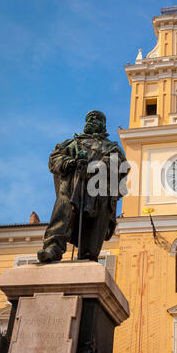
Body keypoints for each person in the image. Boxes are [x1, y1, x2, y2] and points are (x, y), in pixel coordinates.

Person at [37, 110, 129, 263]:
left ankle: (88, 254)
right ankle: (52, 247)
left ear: (103, 126)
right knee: (63, 210)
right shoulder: (72, 143)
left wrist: (95, 166)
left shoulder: (112, 147)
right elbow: (55, 158)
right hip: (72, 185)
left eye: (96, 119)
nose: (91, 121)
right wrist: (71, 162)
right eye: (89, 119)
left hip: (100, 189)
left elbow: (120, 165)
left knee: (97, 219)